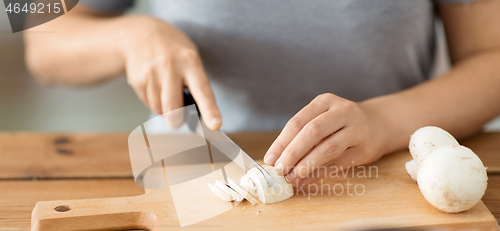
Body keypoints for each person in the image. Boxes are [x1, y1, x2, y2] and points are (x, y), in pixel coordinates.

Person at [24, 0, 500, 187]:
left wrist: (386, 121)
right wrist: (127, 36)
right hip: (195, 176)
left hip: (390, 175)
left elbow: (492, 56)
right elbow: (39, 34)